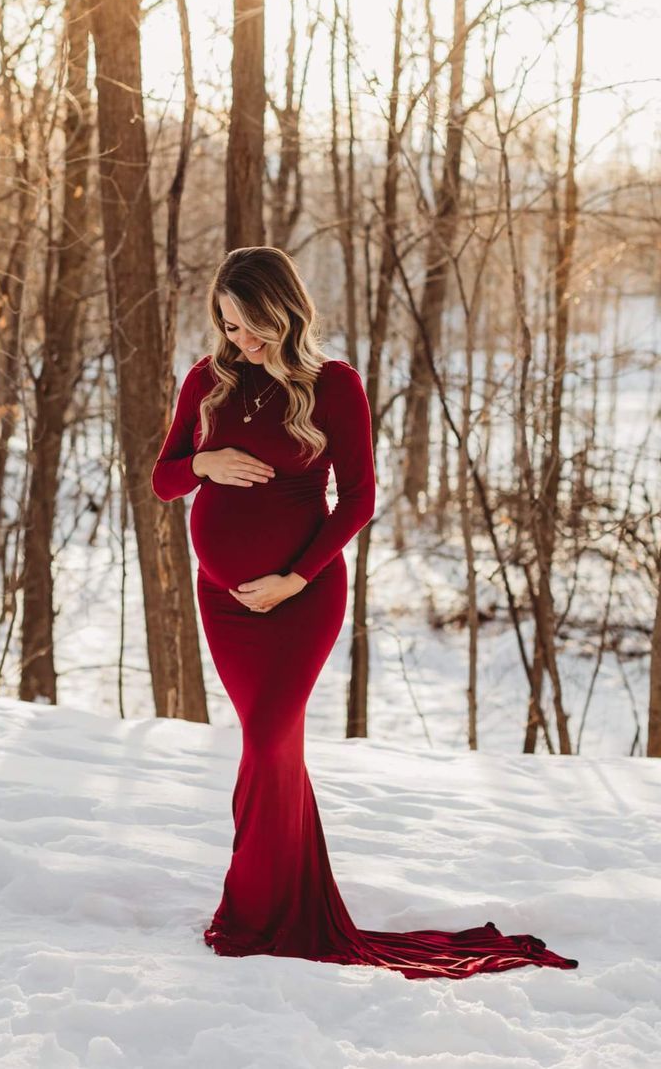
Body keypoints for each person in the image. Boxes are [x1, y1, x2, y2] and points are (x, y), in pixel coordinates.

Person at [150, 245, 579, 980]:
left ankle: (255, 912)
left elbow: (359, 499)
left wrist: (293, 577)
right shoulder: (207, 382)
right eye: (228, 326)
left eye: (252, 327)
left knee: (266, 737)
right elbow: (162, 480)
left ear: (284, 313)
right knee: (273, 749)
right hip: (223, 602)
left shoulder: (334, 385)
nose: (241, 342)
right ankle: (288, 900)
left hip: (301, 597)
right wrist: (204, 465)